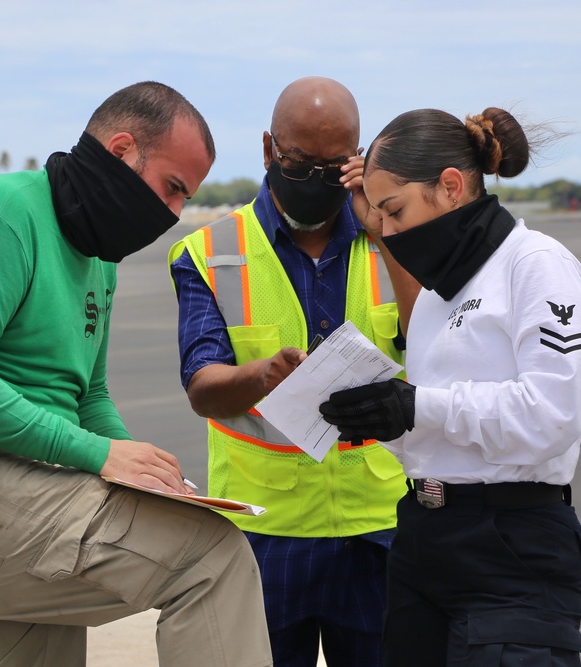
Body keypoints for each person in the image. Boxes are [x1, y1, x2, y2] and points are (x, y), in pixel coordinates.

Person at [0, 81, 272, 667]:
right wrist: (99, 455)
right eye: (172, 188)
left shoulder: (96, 260)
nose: (175, 213)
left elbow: (90, 396)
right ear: (120, 151)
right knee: (211, 558)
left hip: (16, 495)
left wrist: (139, 466)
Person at [319, 107, 581, 666]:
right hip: (422, 535)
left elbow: (553, 415)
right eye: (378, 219)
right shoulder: (436, 294)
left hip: (510, 547)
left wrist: (416, 406)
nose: (389, 232)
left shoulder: (536, 265)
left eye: (394, 211)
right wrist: (382, 420)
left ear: (450, 186)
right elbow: (434, 427)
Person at [168, 76, 409, 667]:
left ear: (357, 159)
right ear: (271, 150)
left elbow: (437, 340)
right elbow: (203, 388)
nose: (318, 179)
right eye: (302, 161)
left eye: (337, 164)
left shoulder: (394, 242)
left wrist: (385, 233)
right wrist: (262, 376)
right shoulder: (210, 253)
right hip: (264, 538)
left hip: (378, 528)